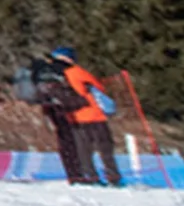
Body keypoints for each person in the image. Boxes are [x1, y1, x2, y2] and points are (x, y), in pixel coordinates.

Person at [48, 46, 126, 188]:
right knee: (105, 148)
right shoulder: (76, 71)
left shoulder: (51, 76)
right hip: (93, 115)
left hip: (73, 117)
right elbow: (98, 87)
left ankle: (89, 176)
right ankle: (113, 176)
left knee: (83, 150)